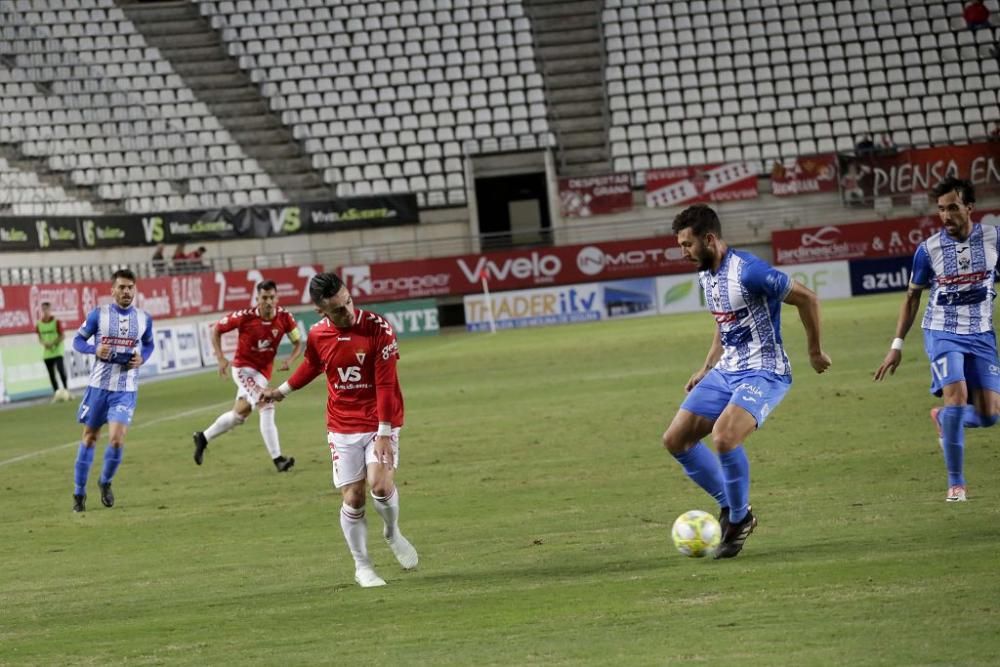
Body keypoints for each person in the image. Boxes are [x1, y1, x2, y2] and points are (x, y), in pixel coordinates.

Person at [662, 205, 831, 558]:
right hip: (727, 370)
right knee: (676, 440)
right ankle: (732, 505)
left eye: (687, 244)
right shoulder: (706, 274)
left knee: (724, 437)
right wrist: (707, 366)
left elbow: (807, 299)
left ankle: (738, 520)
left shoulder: (750, 271)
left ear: (709, 239)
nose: (683, 252)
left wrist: (814, 351)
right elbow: (724, 323)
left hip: (765, 370)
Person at [261, 272, 418, 587]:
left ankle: (392, 531)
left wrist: (385, 433)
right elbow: (313, 365)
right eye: (338, 309)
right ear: (321, 311)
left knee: (381, 486)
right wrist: (281, 391)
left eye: (348, 302)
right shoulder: (319, 335)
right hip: (342, 423)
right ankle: (363, 567)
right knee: (354, 497)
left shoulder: (379, 329)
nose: (348, 311)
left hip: (379, 420)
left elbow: (386, 383)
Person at [873, 177, 1000, 502]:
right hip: (942, 332)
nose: (945, 215)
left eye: (953, 208)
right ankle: (956, 484)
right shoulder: (927, 250)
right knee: (956, 397)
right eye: (941, 209)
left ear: (969, 207)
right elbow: (912, 298)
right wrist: (896, 346)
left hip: (981, 333)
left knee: (989, 415)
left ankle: (943, 419)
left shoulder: (994, 240)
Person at [192, 280, 303, 471]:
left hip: (262, 373)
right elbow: (217, 329)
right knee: (266, 402)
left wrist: (290, 361)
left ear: (276, 298)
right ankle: (278, 460)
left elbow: (298, 342)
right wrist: (220, 358)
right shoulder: (244, 317)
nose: (268, 301)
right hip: (243, 369)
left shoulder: (285, 318)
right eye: (264, 298)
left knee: (239, 414)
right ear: (257, 299)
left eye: (271, 297)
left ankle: (203, 437)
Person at [70, 269, 155, 512]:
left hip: (125, 389)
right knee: (90, 437)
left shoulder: (144, 318)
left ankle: (105, 482)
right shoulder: (99, 315)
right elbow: (77, 340)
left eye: (130, 287)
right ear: (113, 290)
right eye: (122, 287)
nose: (126, 291)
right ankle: (79, 492)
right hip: (98, 389)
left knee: (117, 440)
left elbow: (149, 344)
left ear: (135, 290)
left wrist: (142, 359)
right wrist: (93, 350)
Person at [37, 301, 69, 400]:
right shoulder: (39, 324)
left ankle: (66, 390)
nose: (45, 311)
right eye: (43, 309)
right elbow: (40, 338)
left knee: (61, 370)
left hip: (57, 350)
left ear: (50, 310)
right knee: (51, 374)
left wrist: (53, 343)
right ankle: (56, 393)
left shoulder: (56, 322)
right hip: (47, 353)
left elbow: (62, 336)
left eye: (47, 309)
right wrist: (44, 343)